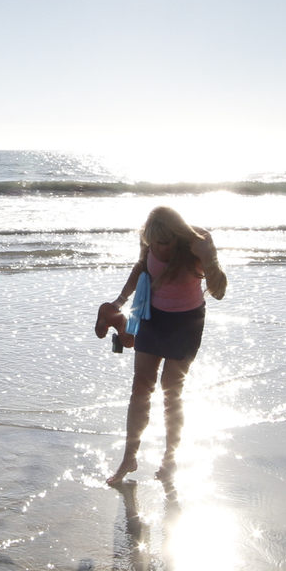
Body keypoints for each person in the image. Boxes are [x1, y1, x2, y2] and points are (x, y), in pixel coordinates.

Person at [99, 206, 226, 486]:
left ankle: (170, 459)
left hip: (187, 324)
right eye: (153, 242)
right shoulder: (151, 242)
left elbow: (218, 291)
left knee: (171, 391)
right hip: (152, 319)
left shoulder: (197, 246)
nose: (159, 247)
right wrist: (118, 302)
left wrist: (208, 257)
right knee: (140, 389)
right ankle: (129, 457)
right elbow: (141, 266)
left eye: (164, 242)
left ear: (177, 236)